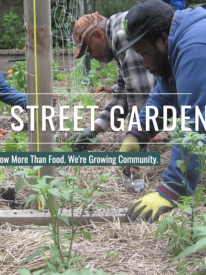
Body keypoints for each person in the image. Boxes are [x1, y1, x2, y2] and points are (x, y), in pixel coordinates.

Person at [117, 0, 206, 222]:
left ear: (162, 39)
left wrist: (171, 190)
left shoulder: (195, 46)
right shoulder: (177, 43)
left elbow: (196, 121)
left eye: (143, 53)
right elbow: (164, 96)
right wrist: (136, 135)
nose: (144, 64)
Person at [70, 12, 156, 152]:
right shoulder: (115, 33)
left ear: (99, 35)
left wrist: (135, 140)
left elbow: (141, 92)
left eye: (89, 49)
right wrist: (92, 130)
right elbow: (124, 92)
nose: (91, 57)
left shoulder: (121, 34)